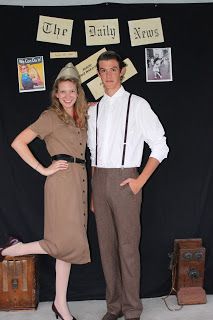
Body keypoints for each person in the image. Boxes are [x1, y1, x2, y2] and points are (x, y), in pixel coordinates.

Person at [0, 62, 90, 320]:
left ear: (78, 92)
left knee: (69, 246)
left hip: (80, 181)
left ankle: (60, 304)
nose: (67, 96)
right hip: (61, 182)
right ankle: (8, 251)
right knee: (61, 242)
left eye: (71, 91)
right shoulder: (50, 117)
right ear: (56, 94)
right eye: (62, 92)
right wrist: (43, 168)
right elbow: (18, 142)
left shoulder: (82, 116)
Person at [87, 51, 169, 320]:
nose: (108, 75)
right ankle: (114, 307)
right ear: (97, 74)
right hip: (99, 180)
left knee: (128, 248)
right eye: (103, 70)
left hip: (126, 180)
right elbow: (92, 153)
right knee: (106, 248)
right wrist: (93, 193)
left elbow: (160, 145)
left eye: (113, 69)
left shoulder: (138, 104)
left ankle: (132, 309)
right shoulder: (94, 109)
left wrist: (140, 181)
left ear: (121, 71)